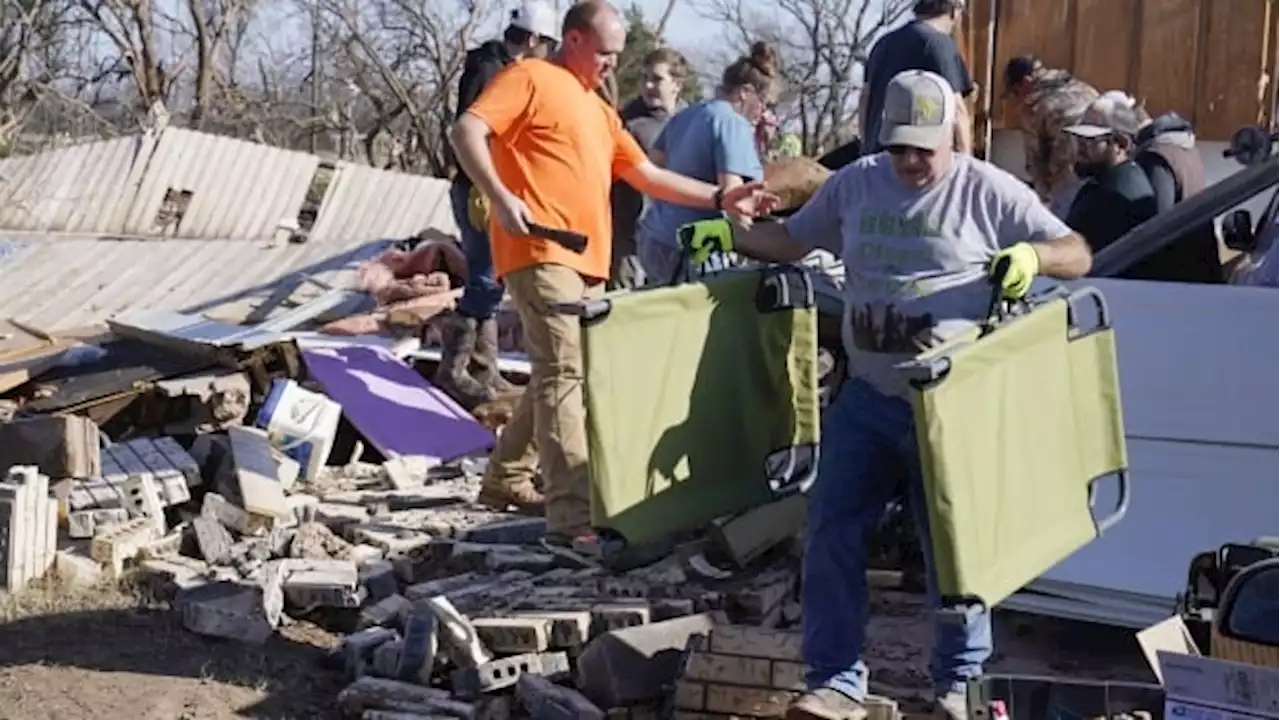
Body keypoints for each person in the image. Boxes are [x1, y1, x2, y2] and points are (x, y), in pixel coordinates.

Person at [674, 69, 1092, 720]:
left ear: (950, 137)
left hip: (949, 405)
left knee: (956, 550)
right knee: (833, 532)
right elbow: (791, 239)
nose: (911, 161)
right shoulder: (857, 183)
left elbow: (1077, 251)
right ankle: (836, 682)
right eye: (900, 147)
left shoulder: (985, 190)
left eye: (923, 148)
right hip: (867, 397)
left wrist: (1035, 260)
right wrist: (732, 237)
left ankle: (959, 685)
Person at [448, 0, 778, 541]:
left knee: (559, 369)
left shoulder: (599, 109)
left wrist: (723, 195)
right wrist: (501, 198)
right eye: (605, 53)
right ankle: (573, 516)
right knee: (564, 375)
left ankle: (506, 475)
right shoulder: (528, 77)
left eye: (618, 55)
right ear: (573, 40)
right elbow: (466, 132)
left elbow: (647, 174)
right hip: (539, 250)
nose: (612, 64)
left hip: (588, 260)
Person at [436, 0, 561, 411]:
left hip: (485, 187)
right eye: (548, 46)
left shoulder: (490, 66)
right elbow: (474, 132)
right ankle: (454, 370)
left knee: (491, 275)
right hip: (481, 188)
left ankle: (483, 365)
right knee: (486, 277)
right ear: (534, 39)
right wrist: (489, 187)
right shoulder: (494, 72)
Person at [635, 41, 782, 282]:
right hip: (695, 247)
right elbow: (735, 196)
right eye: (764, 103)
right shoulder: (732, 123)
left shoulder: (687, 114)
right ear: (745, 93)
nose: (763, 112)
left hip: (655, 238)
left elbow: (654, 169)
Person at [608, 48, 689, 290]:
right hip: (632, 237)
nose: (648, 86)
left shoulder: (690, 118)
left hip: (676, 235)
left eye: (657, 79)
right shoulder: (629, 122)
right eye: (644, 78)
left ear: (677, 84)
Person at [859, 0, 974, 157]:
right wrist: (966, 165)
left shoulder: (883, 43)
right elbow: (957, 110)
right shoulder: (939, 45)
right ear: (955, 11)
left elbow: (865, 100)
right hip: (918, 163)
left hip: (879, 159)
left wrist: (866, 150)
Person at [1062, 94, 1159, 261]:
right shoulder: (1106, 183)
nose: (1081, 147)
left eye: (1091, 139)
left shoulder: (1116, 196)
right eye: (1079, 138)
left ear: (1121, 144)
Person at [1004, 54, 1099, 218]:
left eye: (1015, 92)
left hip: (1069, 180)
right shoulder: (1085, 89)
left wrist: (1043, 202)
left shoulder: (1035, 107)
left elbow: (1036, 161)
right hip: (1103, 173)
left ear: (1026, 82)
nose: (1017, 98)